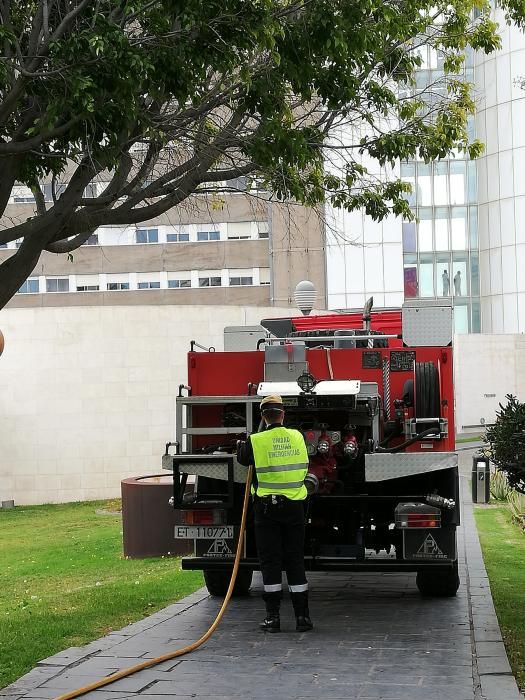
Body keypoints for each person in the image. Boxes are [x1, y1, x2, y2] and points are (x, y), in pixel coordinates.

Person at [237, 394, 312, 633]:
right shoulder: (297, 437)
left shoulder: (256, 440)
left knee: (270, 562)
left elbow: (243, 459)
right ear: (283, 414)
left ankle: (273, 618)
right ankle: (303, 618)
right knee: (295, 560)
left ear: (263, 416)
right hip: (294, 508)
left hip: (267, 510)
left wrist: (243, 444)